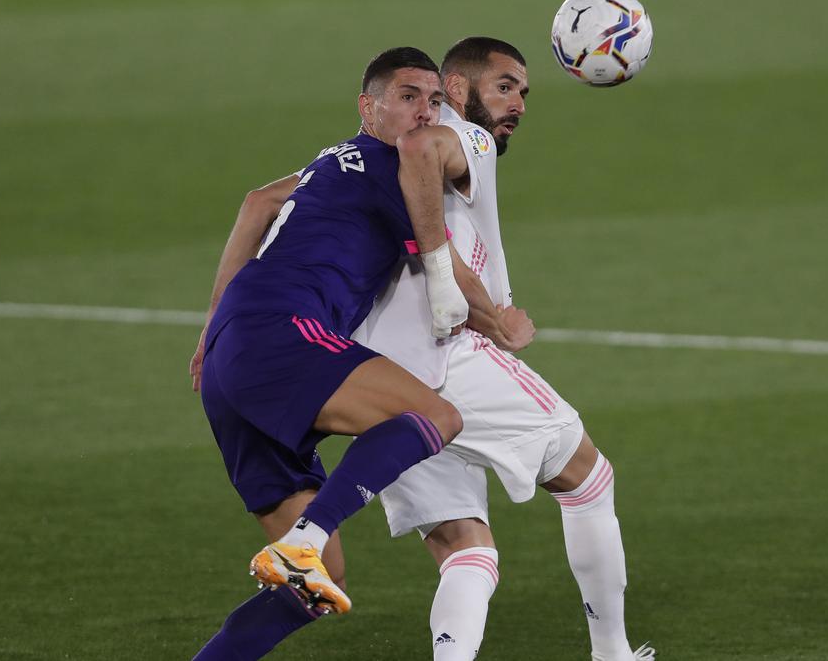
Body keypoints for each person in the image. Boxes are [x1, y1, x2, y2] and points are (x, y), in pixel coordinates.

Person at [213, 37, 653, 660]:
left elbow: (260, 200)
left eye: (524, 92)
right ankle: (612, 654)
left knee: (463, 548)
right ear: (458, 91)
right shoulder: (455, 136)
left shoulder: (353, 154)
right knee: (588, 479)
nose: (518, 104)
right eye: (504, 87)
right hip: (445, 363)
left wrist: (211, 325)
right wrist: (486, 312)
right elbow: (423, 149)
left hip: (371, 377)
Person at [189, 47, 472, 660]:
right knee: (435, 417)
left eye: (434, 100)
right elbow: (435, 252)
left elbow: (257, 202)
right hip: (281, 331)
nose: (425, 112)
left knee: (319, 586)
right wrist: (498, 317)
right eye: (407, 97)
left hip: (234, 352)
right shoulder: (386, 165)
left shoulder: (331, 159)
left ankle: (296, 557)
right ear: (368, 108)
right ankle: (305, 536)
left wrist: (214, 321)